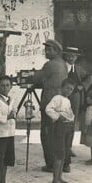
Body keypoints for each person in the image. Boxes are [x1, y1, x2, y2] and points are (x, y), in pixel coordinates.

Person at [28, 39, 68, 172]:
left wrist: (34, 74)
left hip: (49, 104)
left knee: (47, 135)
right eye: (46, 49)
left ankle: (51, 164)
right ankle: (63, 164)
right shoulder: (63, 64)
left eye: (49, 49)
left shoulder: (50, 65)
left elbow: (36, 78)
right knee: (59, 135)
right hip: (60, 103)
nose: (46, 52)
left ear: (56, 51)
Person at [63, 46, 92, 159]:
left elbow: (89, 78)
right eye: (69, 56)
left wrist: (82, 87)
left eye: (73, 56)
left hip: (75, 97)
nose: (71, 58)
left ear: (76, 58)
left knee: (72, 122)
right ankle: (61, 147)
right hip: (63, 97)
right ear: (66, 56)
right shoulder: (62, 68)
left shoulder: (79, 69)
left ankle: (68, 147)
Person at [45, 78, 76, 183]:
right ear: (62, 87)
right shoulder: (57, 98)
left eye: (71, 89)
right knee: (59, 153)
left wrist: (71, 121)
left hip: (68, 127)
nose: (69, 91)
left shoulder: (67, 100)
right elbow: (48, 109)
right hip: (60, 128)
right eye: (67, 88)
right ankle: (55, 180)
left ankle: (59, 177)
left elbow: (69, 113)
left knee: (64, 153)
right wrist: (58, 117)